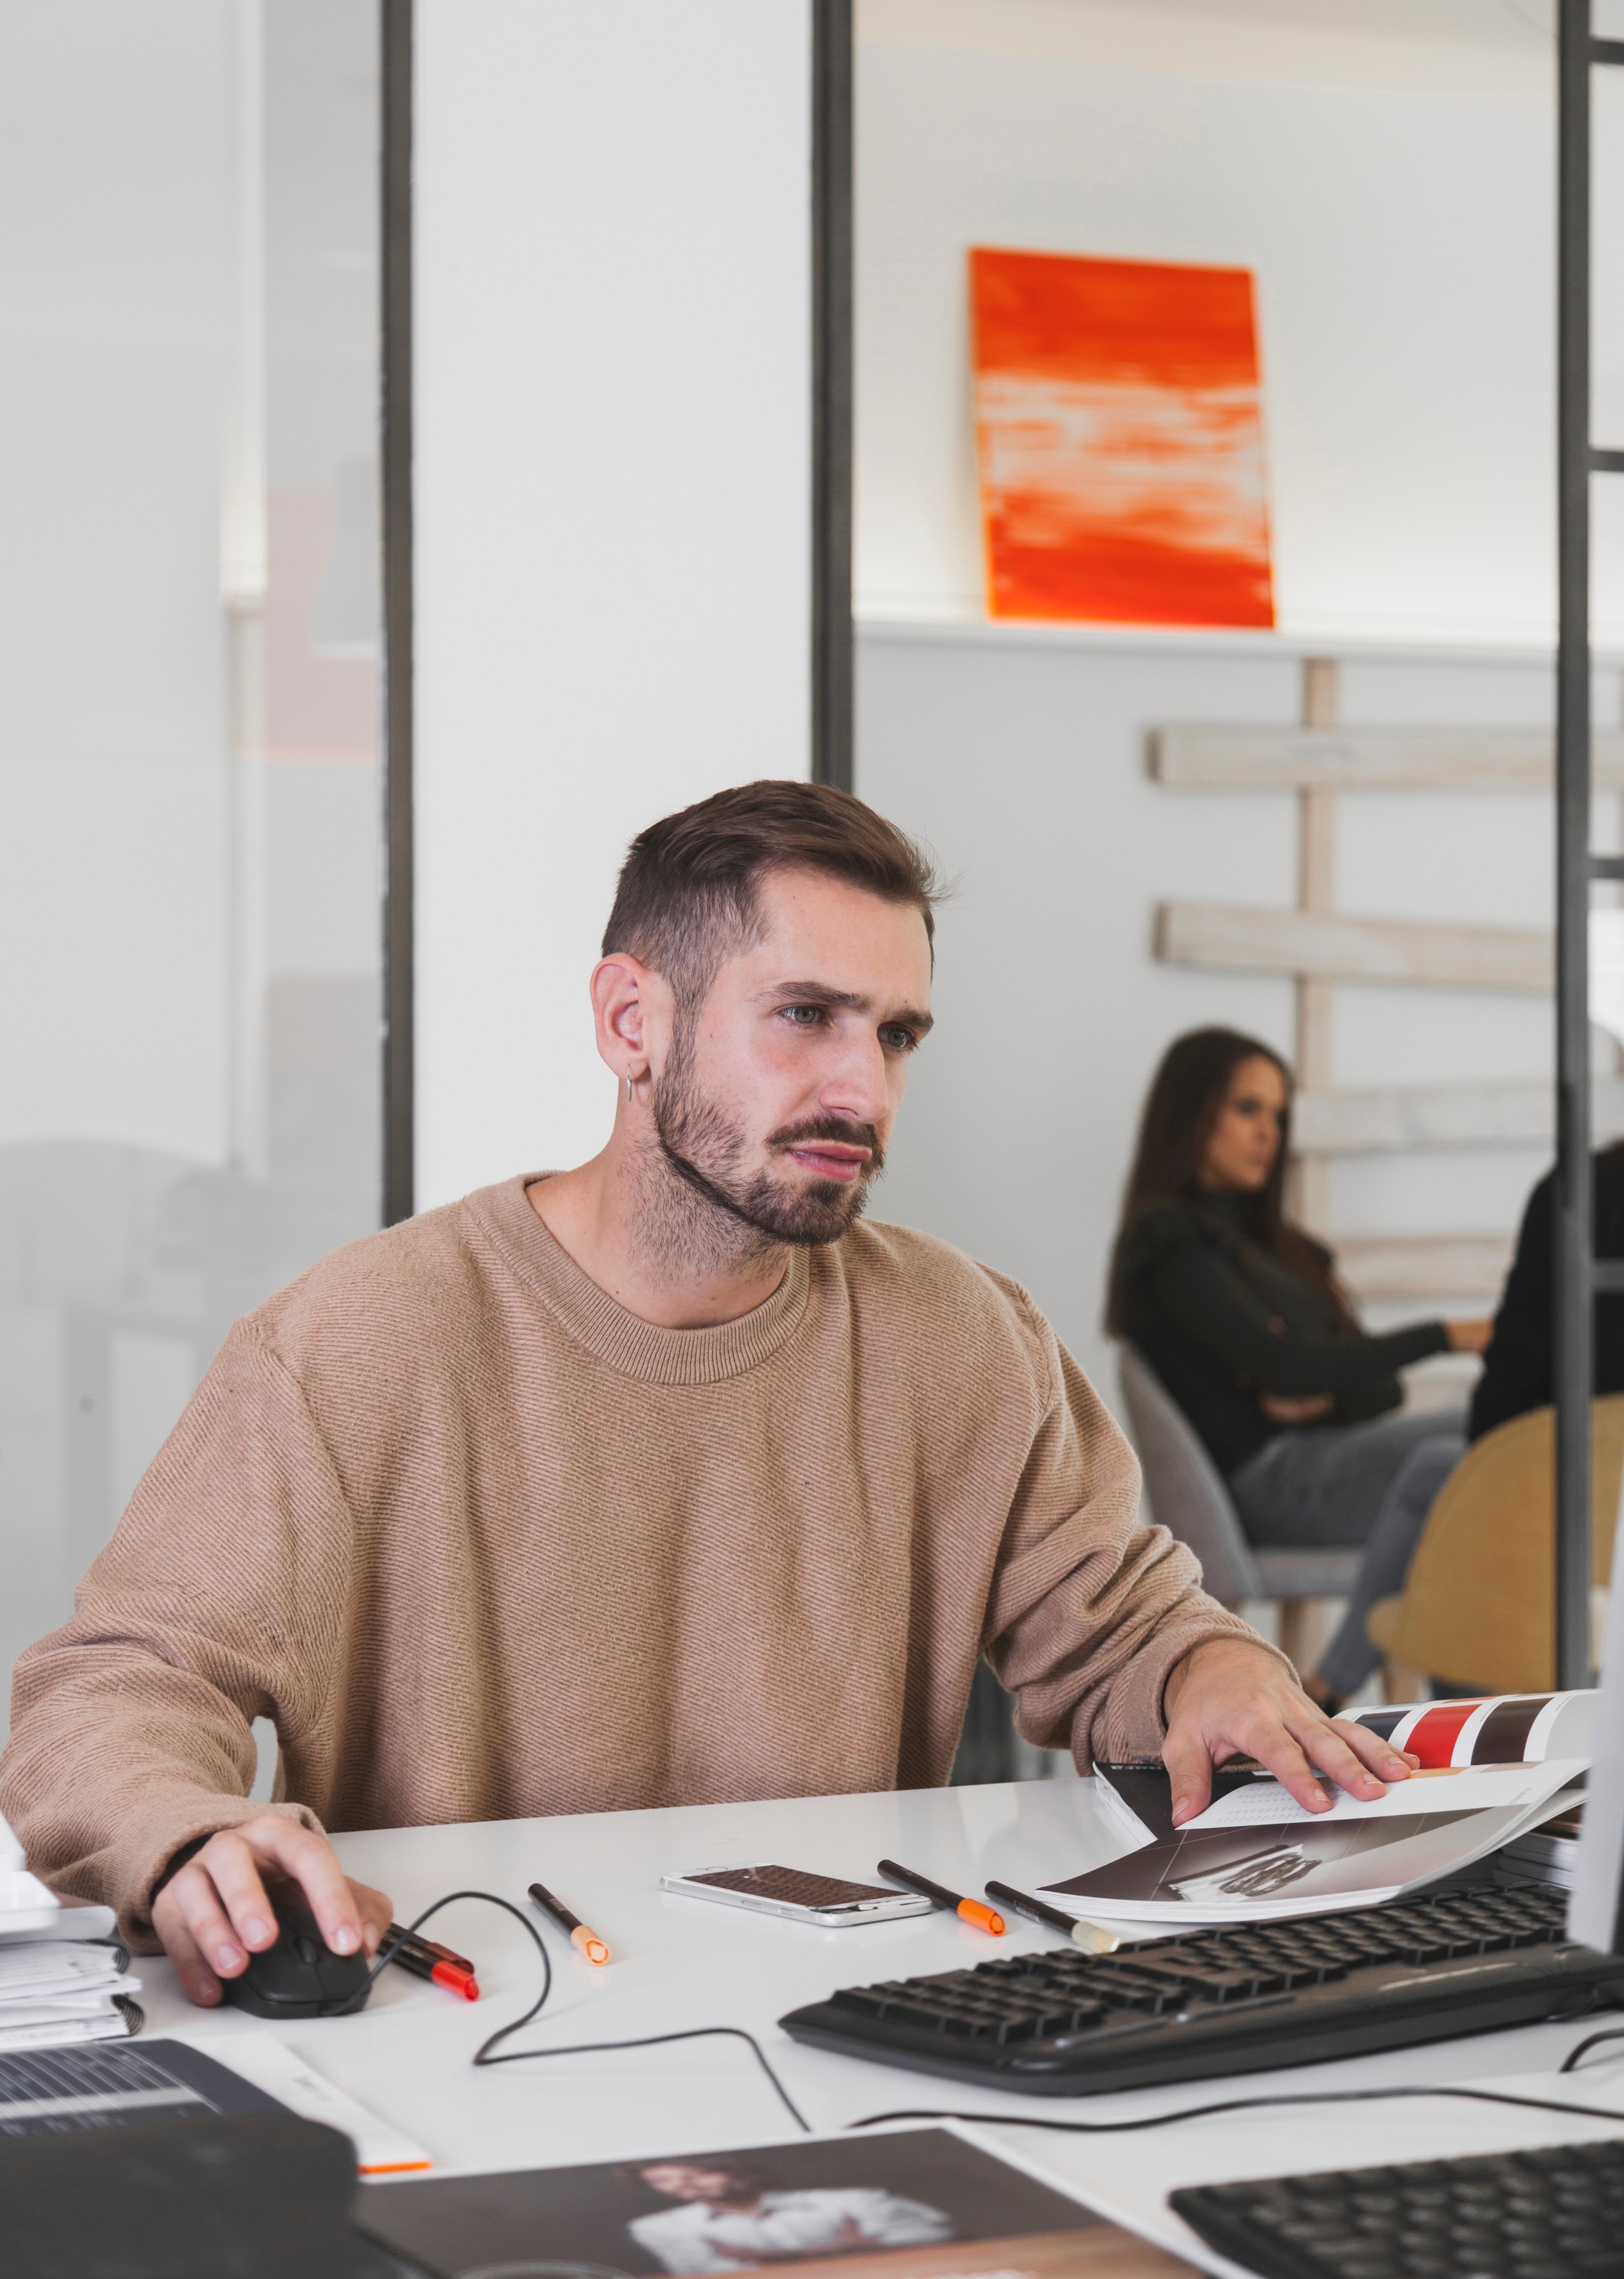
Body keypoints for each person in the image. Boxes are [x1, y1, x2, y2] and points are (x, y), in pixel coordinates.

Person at [0, 786, 1418, 2008]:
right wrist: (189, 1840)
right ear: (632, 1020)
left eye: (899, 1034)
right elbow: (116, 1686)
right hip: (468, 2029)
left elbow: (1120, 1627)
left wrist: (1205, 1670)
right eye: (804, 1016)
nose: (862, 1087)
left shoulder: (967, 1338)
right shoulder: (354, 1345)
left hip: (855, 2027)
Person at [1108, 1027, 1491, 1709]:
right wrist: (1446, 1333)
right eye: (1247, 1109)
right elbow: (1286, 1364)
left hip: (1323, 1456)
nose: (1269, 1133)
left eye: (1279, 1116)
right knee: (1469, 1452)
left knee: (1481, 1443)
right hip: (1268, 1484)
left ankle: (1367, 1693)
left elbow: (1377, 1387)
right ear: (1192, 1113)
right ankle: (1464, 1721)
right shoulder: (1170, 1244)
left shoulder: (1278, 1251)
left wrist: (1311, 1390)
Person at [1469, 1143, 1624, 1443]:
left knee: (1427, 1463)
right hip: (1587, 1446)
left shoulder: (1580, 1188)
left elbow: (1513, 1376)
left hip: (1588, 1454)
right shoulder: (1583, 1185)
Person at [628, 2157, 952, 2274]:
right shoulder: (657, 2227)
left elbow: (936, 2239)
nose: (682, 2184)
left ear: (737, 2171)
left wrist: (772, 2259)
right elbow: (707, 2274)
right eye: (662, 2180)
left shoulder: (854, 2199)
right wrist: (848, 2249)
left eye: (698, 2172)